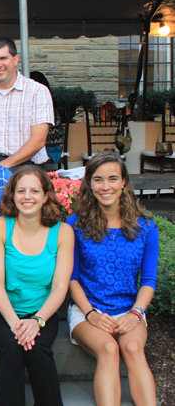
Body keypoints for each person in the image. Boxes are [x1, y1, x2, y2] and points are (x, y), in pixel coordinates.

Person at [67, 152, 158, 406]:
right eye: (98, 180)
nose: (105, 186)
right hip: (88, 310)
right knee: (109, 350)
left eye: (112, 179)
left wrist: (136, 313)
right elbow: (72, 279)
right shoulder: (75, 225)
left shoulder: (146, 227)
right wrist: (90, 313)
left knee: (131, 349)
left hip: (130, 310)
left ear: (124, 182)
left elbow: (148, 280)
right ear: (89, 184)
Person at [0, 165, 74, 406]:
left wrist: (37, 321)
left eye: (34, 191)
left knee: (38, 349)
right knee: (11, 348)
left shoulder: (63, 232)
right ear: (12, 195)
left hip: (42, 312)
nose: (27, 197)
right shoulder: (1, 227)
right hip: (0, 313)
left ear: (45, 196)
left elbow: (60, 288)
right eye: (20, 191)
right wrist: (15, 324)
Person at [0, 38, 54, 172]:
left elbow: (38, 140)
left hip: (26, 165)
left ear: (15, 60)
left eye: (3, 58)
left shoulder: (37, 91)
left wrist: (0, 168)